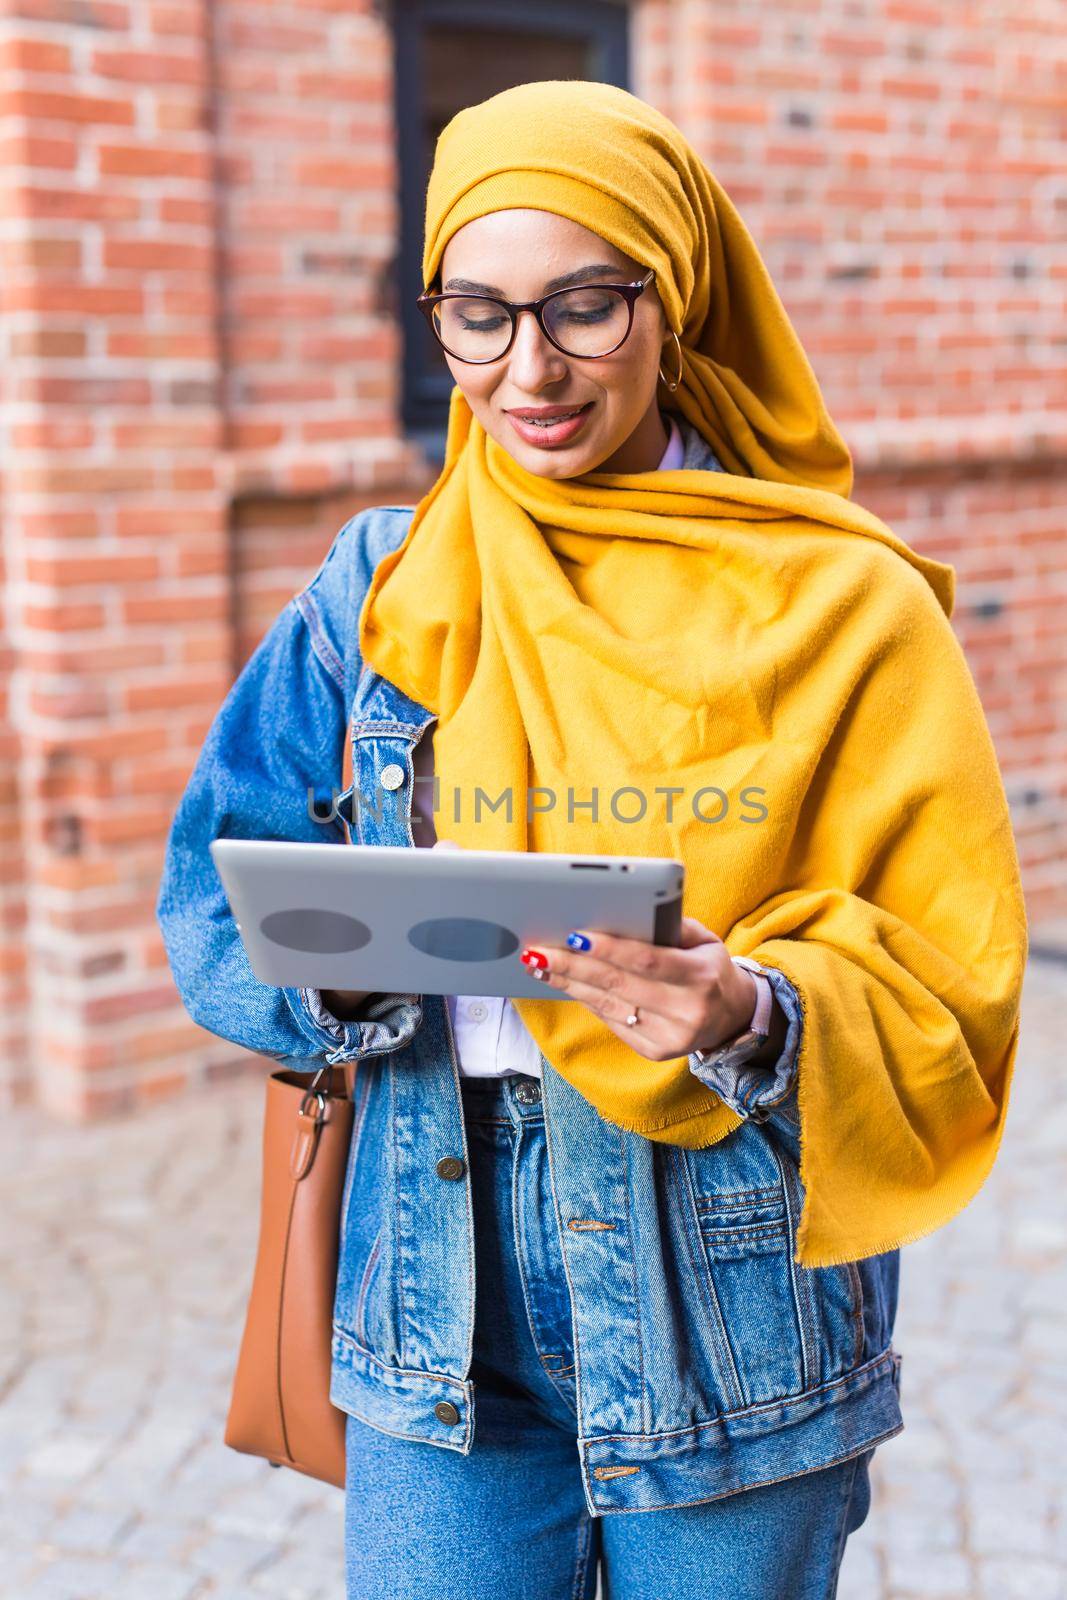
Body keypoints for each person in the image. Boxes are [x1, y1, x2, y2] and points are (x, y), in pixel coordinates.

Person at [157, 80, 1028, 1600]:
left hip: (728, 1275)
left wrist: (753, 1010)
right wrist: (341, 981)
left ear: (672, 297)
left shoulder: (844, 606)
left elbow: (957, 980)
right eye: (476, 315)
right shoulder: (383, 582)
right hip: (433, 1275)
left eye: (583, 306)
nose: (529, 368)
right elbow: (210, 894)